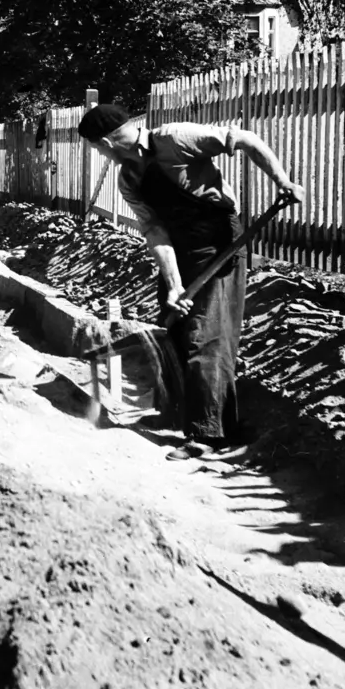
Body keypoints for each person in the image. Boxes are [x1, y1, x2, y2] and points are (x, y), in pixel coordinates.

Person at [77, 103, 304, 461]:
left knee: (207, 334)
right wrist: (175, 284)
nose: (99, 154)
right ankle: (187, 415)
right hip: (180, 246)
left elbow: (244, 139)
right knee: (176, 325)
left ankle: (207, 434)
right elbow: (156, 232)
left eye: (96, 148)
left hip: (219, 241)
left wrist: (283, 181)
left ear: (105, 142)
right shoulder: (129, 179)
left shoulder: (175, 139)